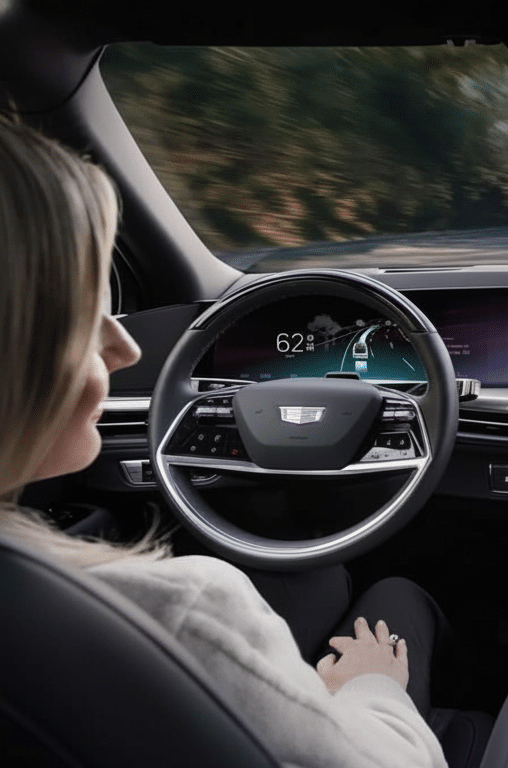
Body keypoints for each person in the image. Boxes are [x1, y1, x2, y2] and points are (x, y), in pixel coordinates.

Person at [0, 116, 450, 767]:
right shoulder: (190, 613)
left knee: (321, 576)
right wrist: (366, 689)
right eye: (84, 311)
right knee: (398, 599)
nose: (125, 346)